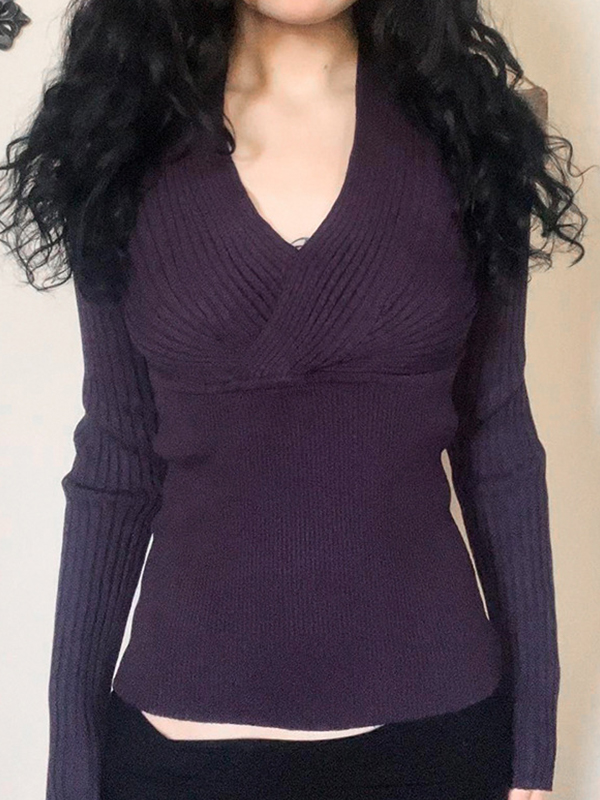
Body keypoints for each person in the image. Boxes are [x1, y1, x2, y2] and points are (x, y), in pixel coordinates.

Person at [0, 1, 588, 799]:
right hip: (180, 759)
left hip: (441, 748)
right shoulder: (119, 138)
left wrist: (533, 745)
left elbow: (497, 438)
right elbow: (116, 456)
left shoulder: (472, 130)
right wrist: (71, 765)